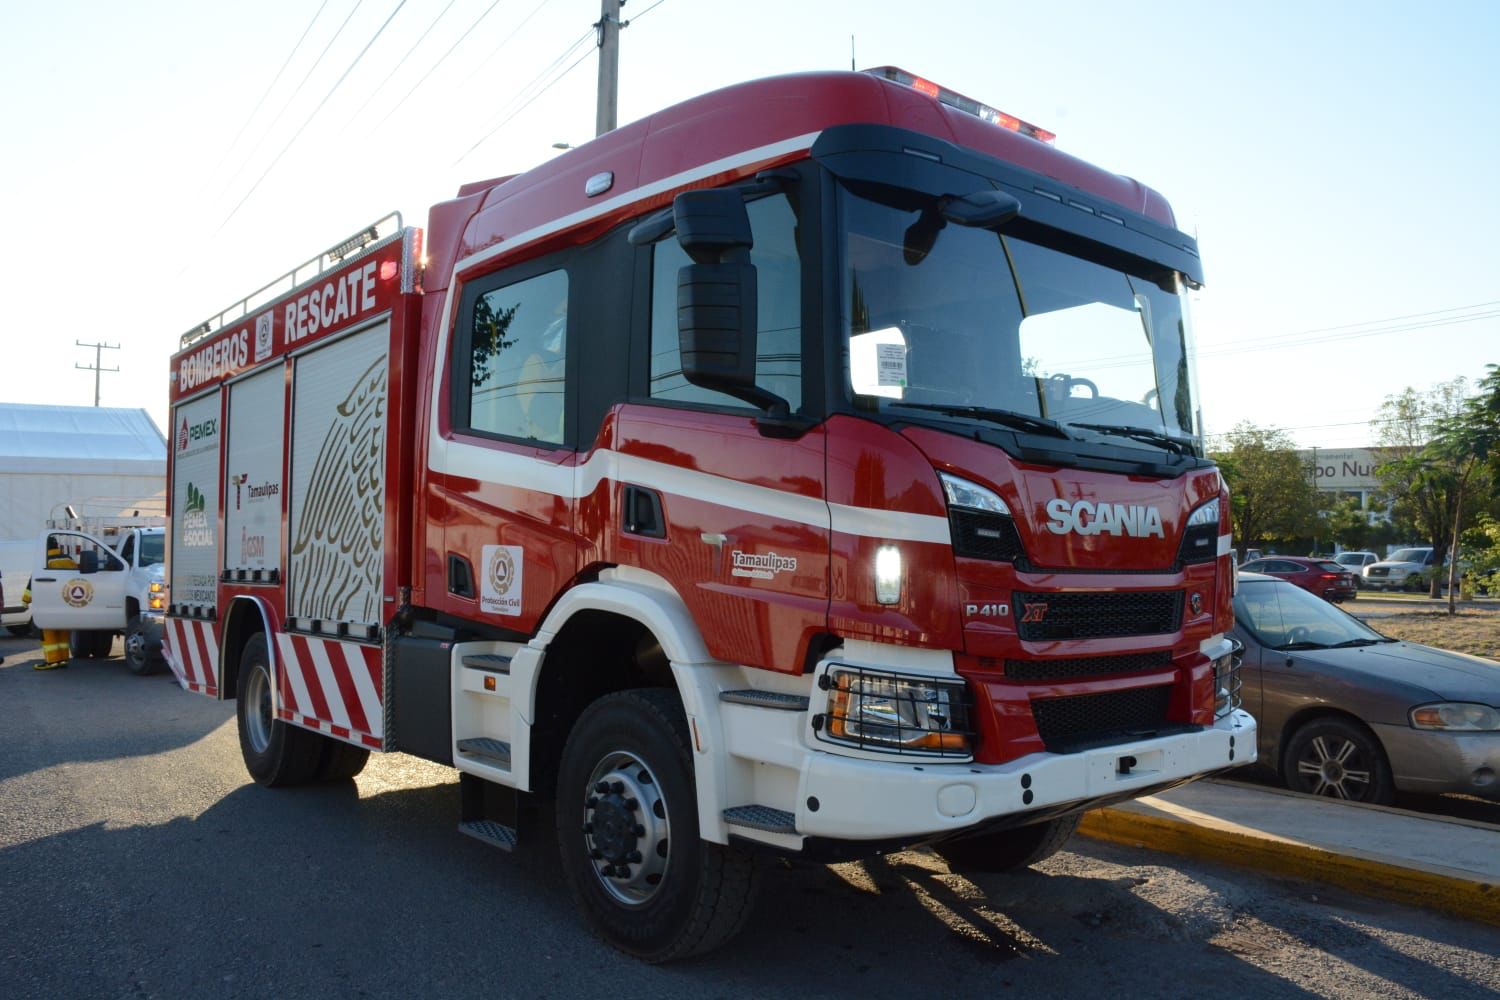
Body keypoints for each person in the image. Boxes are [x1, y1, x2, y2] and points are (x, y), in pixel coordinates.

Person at [25, 536, 76, 670]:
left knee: (48, 633)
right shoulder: (68, 559)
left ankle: (52, 661)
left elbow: (33, 582)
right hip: (66, 604)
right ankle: (63, 659)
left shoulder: (44, 561)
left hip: (48, 604)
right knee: (63, 633)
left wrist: (25, 600)